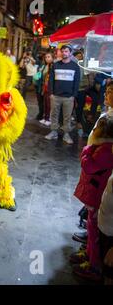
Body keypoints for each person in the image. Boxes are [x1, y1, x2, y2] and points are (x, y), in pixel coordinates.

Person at [72, 115, 113, 281]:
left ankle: (94, 264)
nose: (94, 130)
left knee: (94, 229)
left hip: (98, 197)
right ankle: (89, 253)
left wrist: (86, 150)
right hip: (98, 196)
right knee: (91, 226)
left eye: (97, 128)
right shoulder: (104, 147)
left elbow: (88, 165)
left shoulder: (104, 150)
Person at [44, 44, 80, 145]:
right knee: (54, 114)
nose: (64, 53)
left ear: (70, 53)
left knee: (67, 116)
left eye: (66, 51)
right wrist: (51, 93)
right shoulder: (56, 65)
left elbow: (77, 82)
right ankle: (54, 132)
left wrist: (74, 95)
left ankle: (66, 134)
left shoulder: (75, 66)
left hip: (69, 97)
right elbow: (51, 80)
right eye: (63, 51)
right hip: (55, 96)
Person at [37, 52, 54, 126]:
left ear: (52, 57)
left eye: (49, 57)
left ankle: (49, 119)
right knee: (45, 103)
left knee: (49, 104)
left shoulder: (53, 65)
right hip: (45, 86)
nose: (47, 58)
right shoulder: (45, 65)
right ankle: (45, 117)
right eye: (46, 57)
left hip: (50, 87)